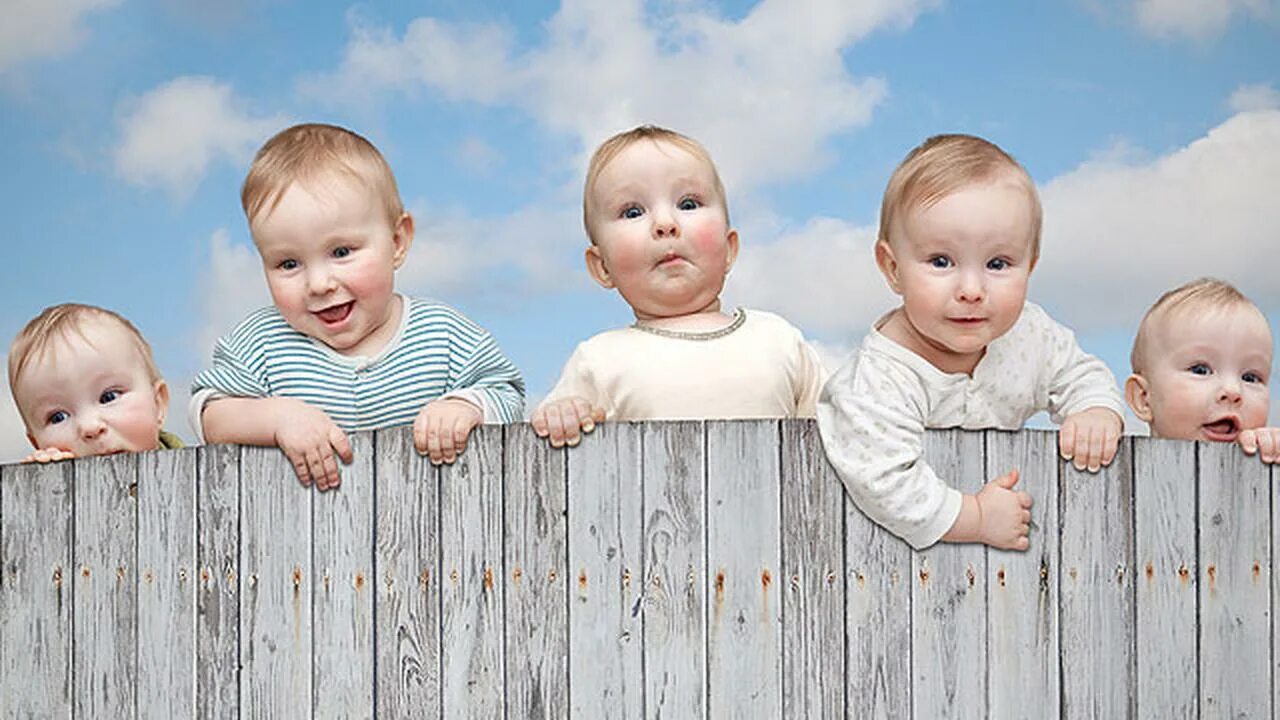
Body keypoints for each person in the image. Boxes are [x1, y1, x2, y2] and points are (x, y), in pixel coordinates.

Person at [818, 133, 1124, 551]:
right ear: (892, 268)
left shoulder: (1029, 335)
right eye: (941, 262)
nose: (972, 289)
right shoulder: (878, 377)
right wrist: (976, 518)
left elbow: (1080, 373)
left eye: (998, 264)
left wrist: (1095, 409)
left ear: (1030, 267)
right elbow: (881, 478)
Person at [191, 123, 524, 490]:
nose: (318, 284)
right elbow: (210, 415)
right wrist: (278, 417)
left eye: (341, 252)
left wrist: (466, 407)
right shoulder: (261, 343)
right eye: (288, 264)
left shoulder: (442, 334)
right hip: (300, 534)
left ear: (397, 241)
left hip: (433, 526)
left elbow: (506, 393)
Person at [531, 125, 824, 447]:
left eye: (688, 204)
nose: (665, 224)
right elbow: (551, 436)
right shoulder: (598, 360)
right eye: (632, 212)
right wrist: (563, 414)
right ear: (602, 267)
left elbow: (836, 434)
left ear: (729, 249)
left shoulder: (778, 338)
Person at [1126, 277, 1278, 462]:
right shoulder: (1123, 477)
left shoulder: (1268, 472)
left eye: (1250, 377)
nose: (1232, 391)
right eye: (1200, 370)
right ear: (1144, 398)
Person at [9, 303, 181, 462]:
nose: (89, 427)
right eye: (58, 417)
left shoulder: (194, 474)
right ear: (36, 442)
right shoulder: (42, 491)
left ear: (157, 404)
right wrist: (50, 482)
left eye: (109, 397)